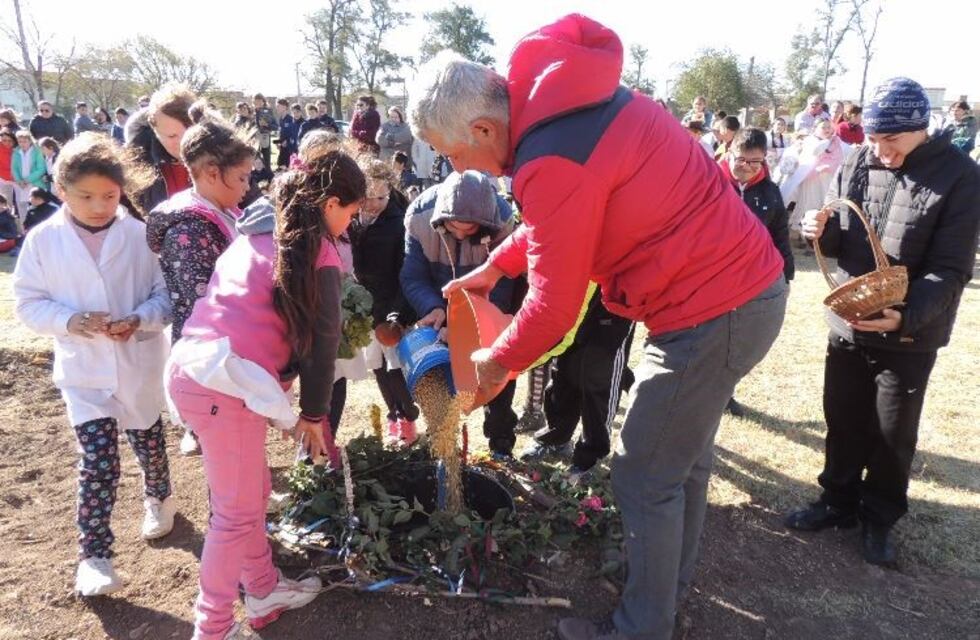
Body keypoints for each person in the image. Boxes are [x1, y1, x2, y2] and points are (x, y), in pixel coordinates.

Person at [409, 15, 787, 639]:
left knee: (645, 469)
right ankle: (664, 587)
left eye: (453, 153)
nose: (458, 166)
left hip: (714, 308)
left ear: (482, 127)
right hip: (734, 295)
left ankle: (644, 627)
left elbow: (554, 305)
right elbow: (559, 220)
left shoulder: (551, 153)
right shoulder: (562, 110)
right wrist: (493, 269)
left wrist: (496, 359)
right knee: (680, 462)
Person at [166, 149, 365, 639]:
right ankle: (211, 628)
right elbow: (323, 348)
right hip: (224, 384)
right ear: (333, 202)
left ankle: (262, 586)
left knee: (251, 495)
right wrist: (314, 416)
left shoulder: (261, 229)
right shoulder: (319, 253)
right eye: (351, 213)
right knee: (233, 517)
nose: (350, 224)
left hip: (206, 373)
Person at [786, 78, 980, 567]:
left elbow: (951, 269)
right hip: (850, 319)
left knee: (893, 433)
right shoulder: (855, 159)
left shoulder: (961, 176)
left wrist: (905, 315)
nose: (881, 151)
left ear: (922, 130)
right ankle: (837, 502)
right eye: (873, 139)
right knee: (843, 417)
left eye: (891, 142)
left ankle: (879, 517)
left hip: (911, 330)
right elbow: (836, 243)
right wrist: (819, 231)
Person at [13, 133, 176, 596]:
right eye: (86, 196)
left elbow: (165, 295)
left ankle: (159, 495)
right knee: (98, 461)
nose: (100, 205)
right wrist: (70, 321)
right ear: (61, 190)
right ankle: (95, 556)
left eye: (109, 195)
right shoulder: (44, 240)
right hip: (83, 371)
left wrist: (139, 318)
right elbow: (28, 303)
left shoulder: (139, 236)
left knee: (148, 439)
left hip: (137, 360)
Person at [146, 118, 255, 455]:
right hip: (212, 362)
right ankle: (230, 507)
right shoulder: (189, 230)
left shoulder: (225, 214)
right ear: (211, 172)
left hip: (232, 351)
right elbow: (204, 305)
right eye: (241, 177)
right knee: (225, 447)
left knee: (240, 440)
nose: (247, 187)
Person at [400, 170, 519, 458]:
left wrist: (468, 327)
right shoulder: (418, 216)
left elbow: (503, 283)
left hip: (486, 303)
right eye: (456, 227)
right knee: (439, 377)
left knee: (496, 375)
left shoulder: (502, 221)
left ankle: (501, 445)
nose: (463, 234)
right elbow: (412, 276)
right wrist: (433, 308)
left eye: (471, 230)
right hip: (439, 293)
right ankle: (444, 447)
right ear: (442, 216)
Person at [519, 285, 635, 481]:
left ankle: (589, 458)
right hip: (577, 293)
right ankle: (556, 438)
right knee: (563, 374)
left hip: (616, 302)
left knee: (600, 383)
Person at [719, 127, 795, 416]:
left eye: (756, 162)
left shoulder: (769, 192)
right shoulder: (709, 180)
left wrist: (786, 276)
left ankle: (726, 390)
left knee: (739, 339)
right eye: (742, 160)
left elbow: (779, 237)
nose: (748, 168)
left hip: (749, 280)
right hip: (708, 277)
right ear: (729, 152)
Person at [348, 158, 421, 443]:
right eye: (368, 197)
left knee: (395, 368)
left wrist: (399, 312)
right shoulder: (352, 219)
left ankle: (409, 417)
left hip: (391, 307)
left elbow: (406, 271)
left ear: (390, 192)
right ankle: (393, 415)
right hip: (364, 307)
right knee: (376, 365)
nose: (374, 203)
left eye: (381, 197)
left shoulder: (398, 223)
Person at [126, 83, 196, 214]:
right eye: (171, 136)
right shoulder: (137, 167)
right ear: (155, 133)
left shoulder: (224, 157)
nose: (183, 142)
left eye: (189, 132)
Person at [780, 118, 851, 235]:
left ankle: (821, 232)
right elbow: (813, 152)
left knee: (824, 204)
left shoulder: (836, 141)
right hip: (811, 179)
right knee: (808, 204)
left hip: (827, 179)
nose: (827, 130)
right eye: (823, 127)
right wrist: (826, 142)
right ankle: (800, 231)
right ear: (815, 129)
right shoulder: (809, 141)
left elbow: (849, 151)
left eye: (829, 127)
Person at [12, 130, 46, 218]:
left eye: (25, 141)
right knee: (22, 207)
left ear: (30, 141)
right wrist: (19, 181)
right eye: (20, 141)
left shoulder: (37, 151)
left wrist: (27, 180)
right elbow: (14, 168)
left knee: (36, 207)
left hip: (35, 183)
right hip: (21, 185)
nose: (22, 144)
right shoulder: (16, 152)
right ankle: (25, 227)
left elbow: (41, 169)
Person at [252, 94, 277, 171]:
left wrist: (267, 124)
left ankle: (268, 176)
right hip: (254, 139)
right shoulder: (251, 112)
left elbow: (275, 126)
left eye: (260, 101)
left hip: (264, 137)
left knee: (266, 160)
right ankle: (256, 178)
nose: (258, 103)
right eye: (256, 102)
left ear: (263, 102)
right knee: (254, 159)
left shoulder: (268, 111)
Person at [274, 99, 297, 168]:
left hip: (289, 148)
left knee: (288, 166)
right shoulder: (281, 119)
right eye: (276, 106)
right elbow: (281, 132)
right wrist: (278, 142)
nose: (277, 108)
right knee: (280, 165)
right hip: (282, 147)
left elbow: (293, 133)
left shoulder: (291, 119)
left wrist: (287, 141)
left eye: (278, 106)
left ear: (284, 107)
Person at [0, 130, 14, 212]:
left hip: (18, 180)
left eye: (9, 140)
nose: (7, 143)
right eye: (4, 140)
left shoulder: (16, 150)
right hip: (3, 180)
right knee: (6, 203)